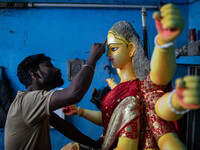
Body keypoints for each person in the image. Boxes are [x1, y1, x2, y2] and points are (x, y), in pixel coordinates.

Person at [63, 3, 200, 150]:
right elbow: (110, 120)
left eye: (113, 49)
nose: (108, 54)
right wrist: (79, 111)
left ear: (131, 49)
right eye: (108, 50)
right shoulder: (123, 87)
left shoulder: (132, 96)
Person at [4, 40, 106, 150]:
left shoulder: (32, 103)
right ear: (34, 73)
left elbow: (64, 127)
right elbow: (74, 93)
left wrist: (95, 145)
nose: (57, 69)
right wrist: (93, 57)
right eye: (49, 66)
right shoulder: (29, 100)